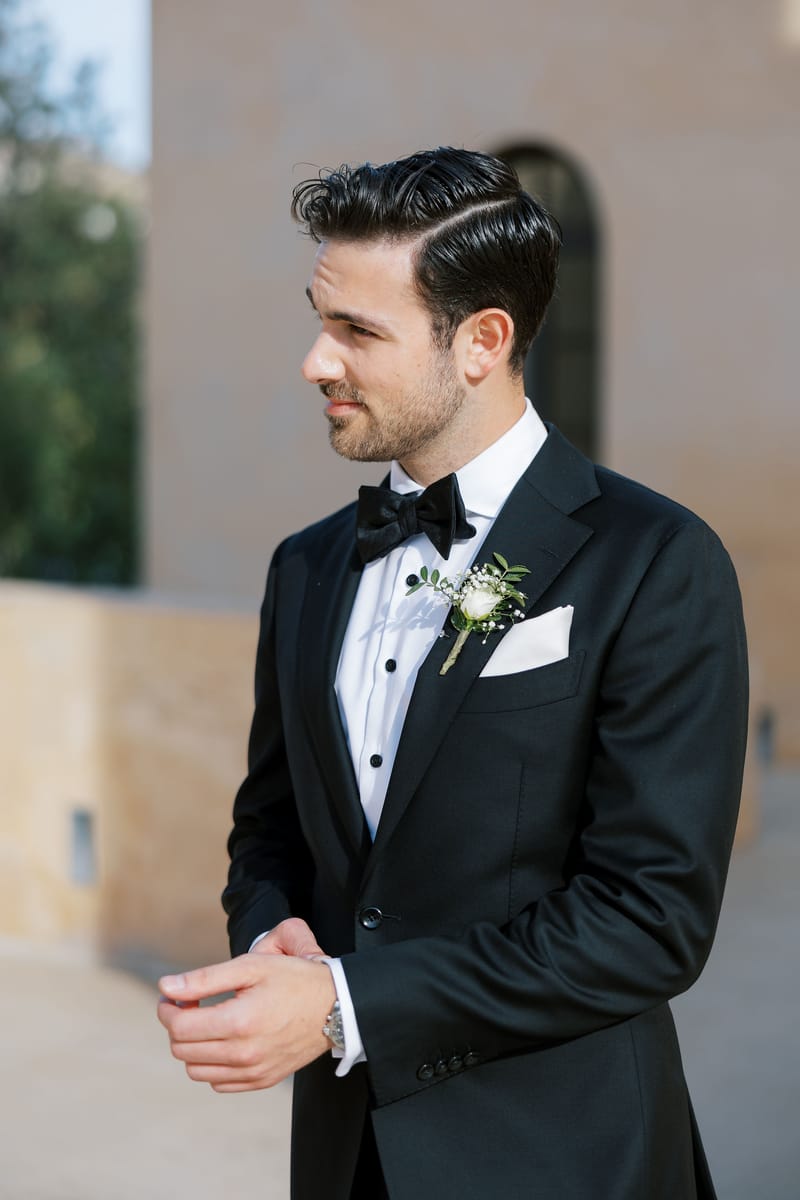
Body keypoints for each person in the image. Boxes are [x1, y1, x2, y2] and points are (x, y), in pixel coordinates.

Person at [158, 147, 748, 1200]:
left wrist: (342, 1005)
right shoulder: (306, 565)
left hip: (566, 1160)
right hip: (345, 1159)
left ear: (481, 342)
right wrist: (269, 932)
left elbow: (647, 920)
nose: (313, 361)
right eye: (318, 318)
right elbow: (271, 828)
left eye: (355, 331)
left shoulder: (655, 559)